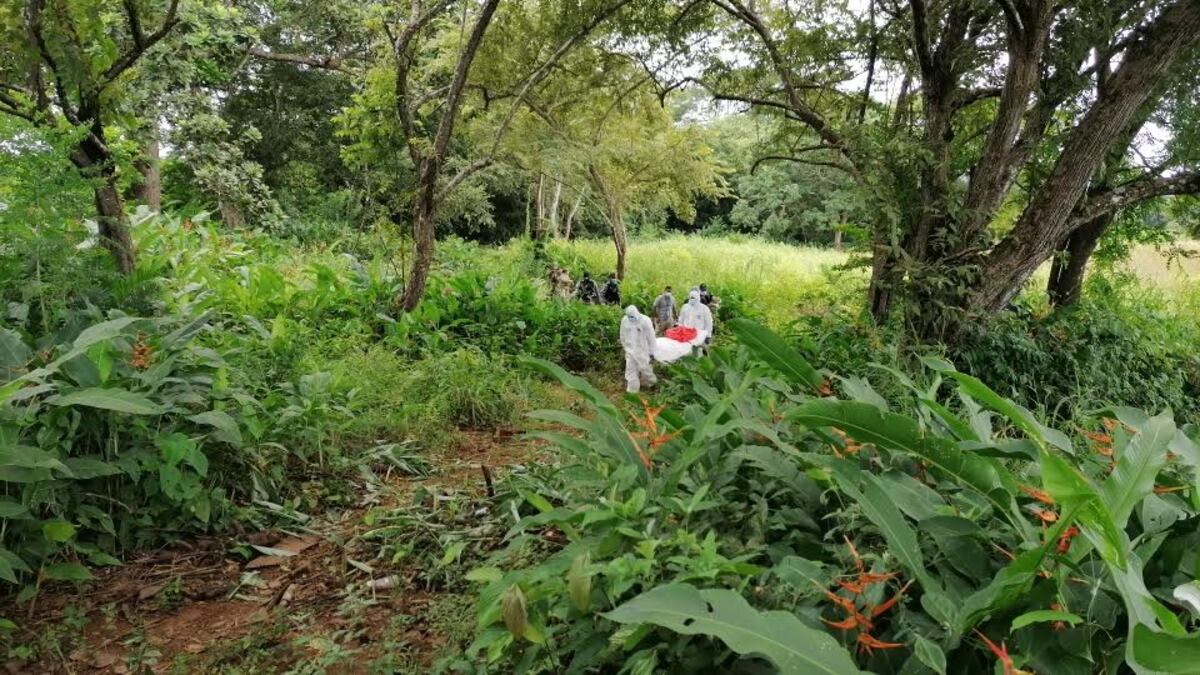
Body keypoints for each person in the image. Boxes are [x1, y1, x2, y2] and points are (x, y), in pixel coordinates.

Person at [619, 305, 657, 393]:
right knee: (630, 371)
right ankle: (632, 391)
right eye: (629, 317)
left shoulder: (645, 321)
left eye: (632, 316)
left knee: (646, 369)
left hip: (643, 351)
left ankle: (651, 384)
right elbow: (622, 334)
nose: (630, 318)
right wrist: (625, 346)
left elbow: (651, 338)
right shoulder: (625, 320)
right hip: (630, 351)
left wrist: (652, 352)